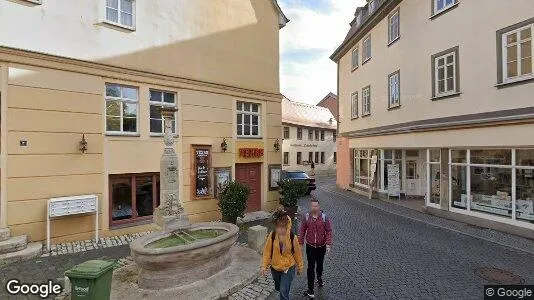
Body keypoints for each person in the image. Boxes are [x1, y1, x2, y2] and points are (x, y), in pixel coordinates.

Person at [261, 210, 304, 300]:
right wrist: (264, 266)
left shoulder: (292, 237)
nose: (280, 230)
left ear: (286, 226)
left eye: (282, 227)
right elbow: (267, 252)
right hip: (275, 267)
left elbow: (297, 253)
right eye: (278, 227)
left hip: (288, 267)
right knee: (278, 287)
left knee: (284, 291)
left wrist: (300, 266)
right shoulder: (272, 236)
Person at [299, 196, 333, 299]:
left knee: (320, 264)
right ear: (311, 206)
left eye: (316, 206)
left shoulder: (324, 218)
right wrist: (300, 242)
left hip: (321, 246)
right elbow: (302, 229)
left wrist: (328, 244)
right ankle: (310, 290)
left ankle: (319, 276)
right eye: (313, 206)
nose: (314, 207)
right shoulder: (306, 217)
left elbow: (329, 231)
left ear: (319, 206)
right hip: (310, 246)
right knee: (310, 267)